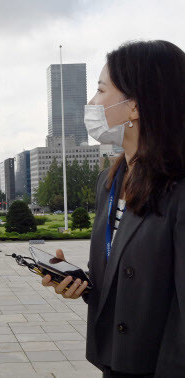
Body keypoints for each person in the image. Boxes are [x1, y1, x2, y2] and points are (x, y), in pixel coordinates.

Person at [41, 40, 185, 377]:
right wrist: (85, 283)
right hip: (113, 360)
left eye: (101, 91)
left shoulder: (179, 188)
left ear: (134, 106)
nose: (91, 102)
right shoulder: (111, 178)